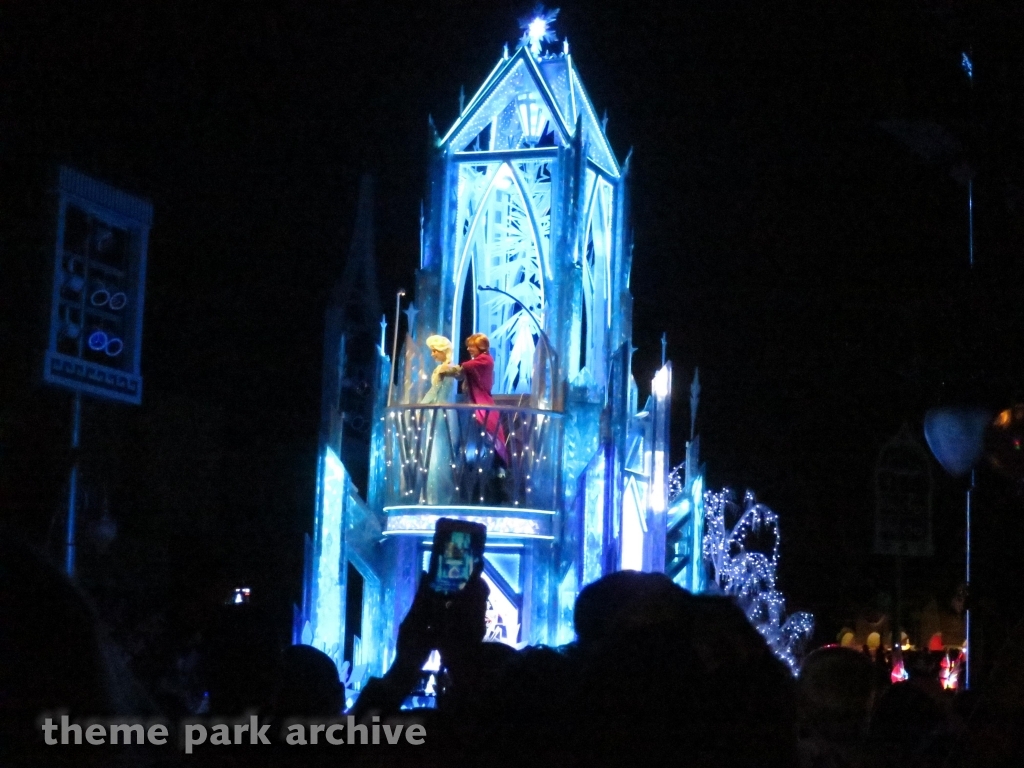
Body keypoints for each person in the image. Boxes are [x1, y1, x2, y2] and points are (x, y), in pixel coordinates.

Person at [441, 333, 508, 465]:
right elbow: (461, 373)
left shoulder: (485, 360)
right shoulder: (479, 361)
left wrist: (446, 370)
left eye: (471, 346)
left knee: (489, 429)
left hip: (482, 401)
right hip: (473, 402)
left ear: (481, 347)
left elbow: (466, 366)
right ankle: (466, 460)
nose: (468, 349)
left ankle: (498, 463)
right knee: (474, 432)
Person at [421, 335, 459, 504]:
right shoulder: (444, 369)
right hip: (438, 411)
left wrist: (421, 405)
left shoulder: (446, 369)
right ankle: (433, 495)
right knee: (436, 452)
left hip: (440, 412)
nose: (432, 354)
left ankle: (437, 496)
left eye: (434, 351)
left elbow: (435, 391)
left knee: (438, 452)